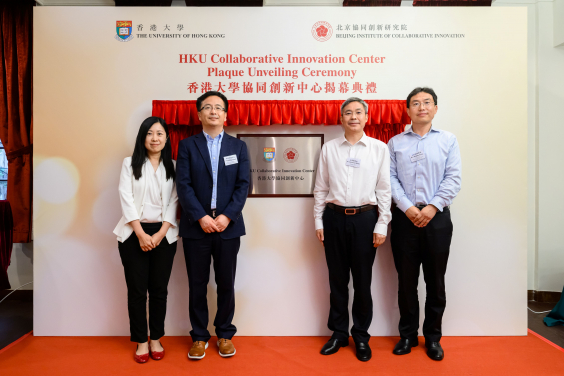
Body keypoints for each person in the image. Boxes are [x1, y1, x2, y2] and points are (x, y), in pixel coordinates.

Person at [313, 97, 392, 362]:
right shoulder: (329, 149)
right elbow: (321, 189)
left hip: (365, 219)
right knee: (337, 280)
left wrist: (382, 223)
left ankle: (360, 335)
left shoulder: (379, 149)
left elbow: (384, 190)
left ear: (367, 117)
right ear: (341, 118)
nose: (353, 117)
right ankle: (338, 333)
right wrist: (318, 221)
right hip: (334, 219)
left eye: (359, 112)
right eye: (348, 113)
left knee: (362, 281)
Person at [388, 87, 461, 361]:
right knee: (405, 282)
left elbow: (453, 178)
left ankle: (432, 338)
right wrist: (408, 208)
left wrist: (431, 207)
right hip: (405, 220)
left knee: (435, 281)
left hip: (437, 219)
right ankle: (407, 336)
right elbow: (390, 179)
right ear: (407, 110)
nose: (421, 107)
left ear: (435, 108)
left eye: (427, 103)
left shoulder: (448, 140)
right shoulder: (395, 143)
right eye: (415, 103)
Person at [176, 91, 250, 360]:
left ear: (226, 115)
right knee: (197, 284)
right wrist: (201, 217)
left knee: (226, 283)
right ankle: (198, 336)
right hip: (197, 226)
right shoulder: (187, 146)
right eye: (207, 107)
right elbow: (183, 186)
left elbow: (244, 186)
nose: (213, 111)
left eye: (218, 108)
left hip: (228, 226)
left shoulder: (238, 147)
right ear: (199, 114)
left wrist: (227, 216)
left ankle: (225, 334)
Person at [113, 116, 179, 364]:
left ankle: (156, 339)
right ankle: (141, 341)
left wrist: (160, 234)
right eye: (150, 133)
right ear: (143, 137)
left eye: (160, 133)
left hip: (165, 235)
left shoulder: (172, 165)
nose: (155, 138)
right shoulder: (130, 164)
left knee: (159, 291)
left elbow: (175, 201)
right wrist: (141, 233)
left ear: (166, 138)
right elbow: (125, 197)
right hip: (133, 234)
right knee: (138, 291)